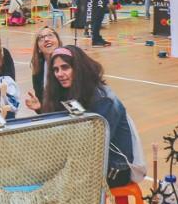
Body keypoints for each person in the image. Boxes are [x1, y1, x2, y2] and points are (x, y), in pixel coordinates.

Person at [40, 46, 145, 185]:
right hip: (93, 161)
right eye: (56, 69)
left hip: (115, 168)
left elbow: (94, 145)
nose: (59, 74)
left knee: (54, 183)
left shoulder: (103, 99)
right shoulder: (72, 91)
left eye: (65, 67)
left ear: (79, 68)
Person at [24, 26, 61, 111]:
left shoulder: (71, 61)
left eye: (50, 35)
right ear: (38, 48)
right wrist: (39, 108)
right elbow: (43, 108)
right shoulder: (38, 69)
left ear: (58, 41)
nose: (46, 39)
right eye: (41, 38)